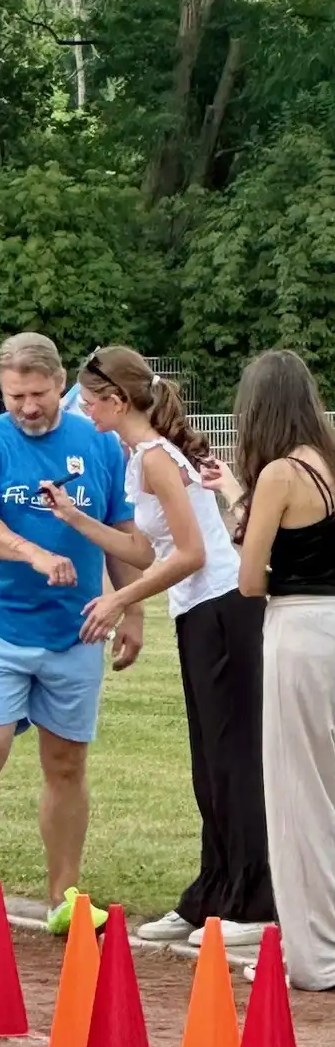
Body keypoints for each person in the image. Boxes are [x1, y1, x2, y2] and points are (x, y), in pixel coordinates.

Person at [43, 346, 274, 949]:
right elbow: (145, 551)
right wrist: (74, 519)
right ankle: (212, 896)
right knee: (209, 761)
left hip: (226, 609)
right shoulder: (136, 457)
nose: (83, 409)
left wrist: (120, 602)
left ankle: (255, 903)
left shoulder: (154, 459)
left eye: (90, 401)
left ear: (117, 401)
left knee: (232, 760)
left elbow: (194, 553)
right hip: (201, 613)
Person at [0, 332, 144, 946]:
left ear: (61, 384)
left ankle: (65, 897)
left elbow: (121, 529)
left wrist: (130, 609)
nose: (27, 407)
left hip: (75, 626)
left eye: (36, 394)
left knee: (66, 761)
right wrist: (33, 553)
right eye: (14, 396)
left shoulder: (99, 443)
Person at [209, 351, 335, 989]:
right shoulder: (329, 460)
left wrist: (238, 508)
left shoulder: (282, 474)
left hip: (300, 629)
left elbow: (252, 578)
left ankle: (314, 953)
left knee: (298, 796)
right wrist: (236, 496)